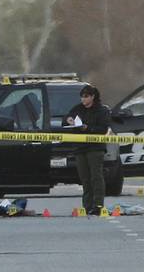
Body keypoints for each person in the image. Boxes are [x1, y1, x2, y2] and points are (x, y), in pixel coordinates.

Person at [63, 84, 111, 215]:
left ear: (93, 97)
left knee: (96, 177)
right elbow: (65, 121)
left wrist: (87, 128)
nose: (83, 100)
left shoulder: (102, 110)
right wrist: (68, 120)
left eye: (86, 97)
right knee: (85, 178)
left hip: (95, 148)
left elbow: (103, 129)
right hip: (80, 148)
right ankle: (87, 205)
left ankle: (98, 205)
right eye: (82, 97)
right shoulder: (77, 109)